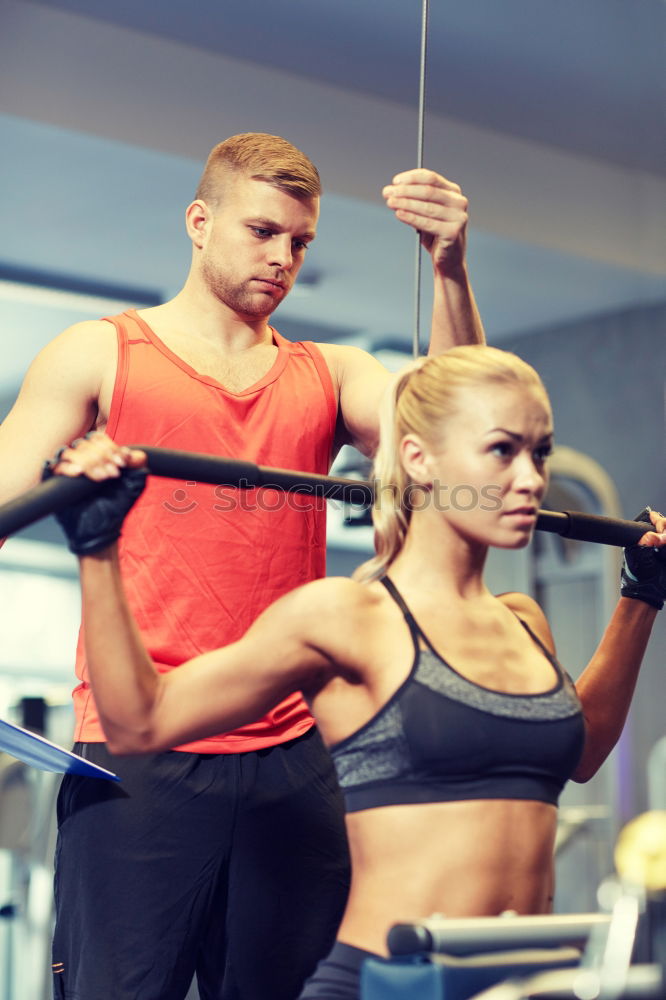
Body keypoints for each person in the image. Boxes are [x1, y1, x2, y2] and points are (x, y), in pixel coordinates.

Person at [0, 133, 485, 999]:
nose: (283, 258)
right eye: (262, 231)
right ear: (199, 220)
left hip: (292, 759)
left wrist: (449, 269)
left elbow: (452, 444)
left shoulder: (332, 373)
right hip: (137, 752)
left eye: (299, 242)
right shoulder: (99, 354)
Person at [46, 344, 665, 1000]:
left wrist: (643, 595)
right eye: (502, 451)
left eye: (539, 452)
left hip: (523, 979)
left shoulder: (522, 621)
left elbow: (586, 749)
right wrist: (98, 548)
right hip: (395, 981)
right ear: (419, 459)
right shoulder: (348, 617)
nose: (531, 479)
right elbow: (140, 721)